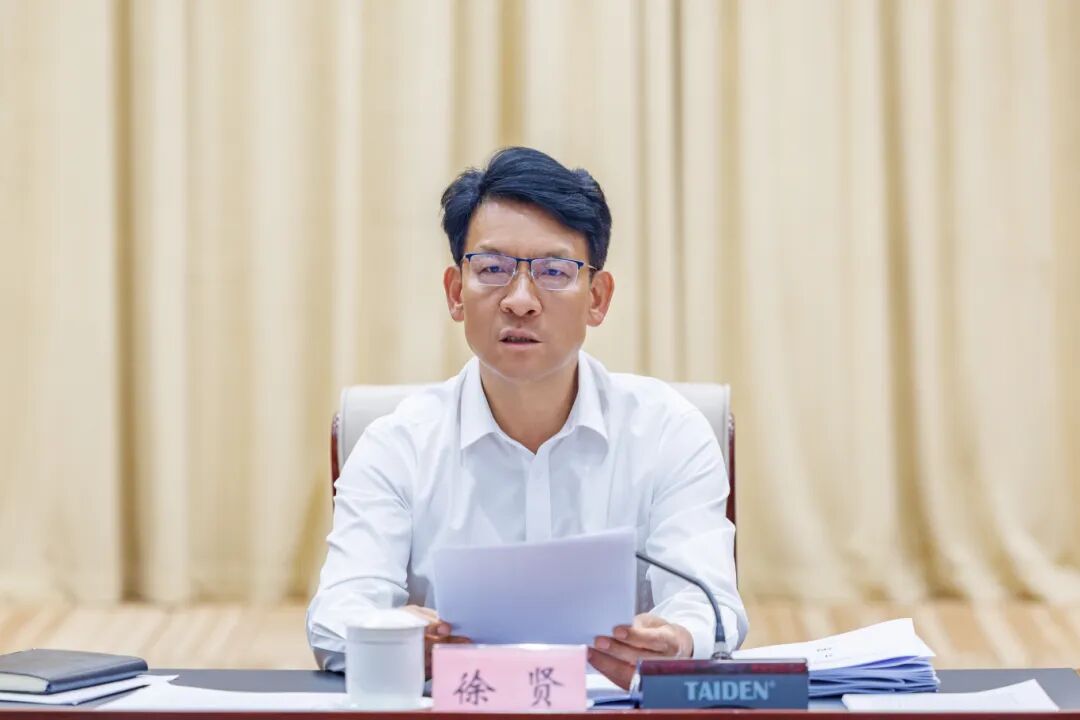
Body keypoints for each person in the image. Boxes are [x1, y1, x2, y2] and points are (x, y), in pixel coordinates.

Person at [307, 146, 747, 689]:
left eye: (554, 271)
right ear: (456, 293)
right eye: (492, 269)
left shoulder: (668, 433)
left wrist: (678, 641)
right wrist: (395, 636)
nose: (520, 300)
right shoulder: (397, 445)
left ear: (597, 298)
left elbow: (711, 607)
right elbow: (334, 617)